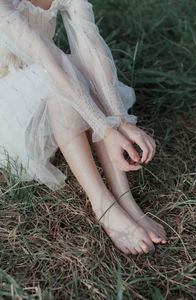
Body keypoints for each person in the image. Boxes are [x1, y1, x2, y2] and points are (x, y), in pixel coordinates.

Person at [0, 0, 167, 255]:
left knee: (81, 66)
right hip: (7, 98)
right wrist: (105, 127)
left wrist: (120, 119)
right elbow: (45, 56)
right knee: (58, 74)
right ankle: (102, 204)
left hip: (39, 78)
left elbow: (91, 44)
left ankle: (125, 198)